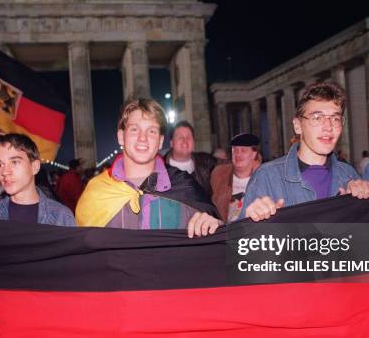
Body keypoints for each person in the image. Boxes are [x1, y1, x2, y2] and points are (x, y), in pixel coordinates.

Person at [241, 82, 369, 222]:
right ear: (298, 126)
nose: (329, 126)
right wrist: (250, 222)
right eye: (317, 118)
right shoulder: (267, 177)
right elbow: (240, 246)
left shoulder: (349, 174)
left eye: (335, 119)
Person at [76, 98, 220, 238]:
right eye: (134, 129)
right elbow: (81, 250)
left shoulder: (184, 185)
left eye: (151, 131)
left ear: (160, 141)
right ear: (121, 137)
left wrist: (215, 226)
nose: (142, 138)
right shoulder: (96, 191)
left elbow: (218, 241)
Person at [0, 134, 75, 226]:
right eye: (0, 165)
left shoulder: (61, 217)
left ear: (35, 167)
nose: (4, 172)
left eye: (14, 162)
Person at [210, 133, 261, 223]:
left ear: (253, 154)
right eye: (235, 150)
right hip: (224, 231)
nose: (238, 154)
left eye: (243, 150)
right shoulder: (219, 174)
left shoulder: (264, 175)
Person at [164, 121, 217, 196]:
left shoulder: (207, 162)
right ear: (171, 143)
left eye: (188, 137)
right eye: (180, 137)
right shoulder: (160, 168)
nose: (185, 141)